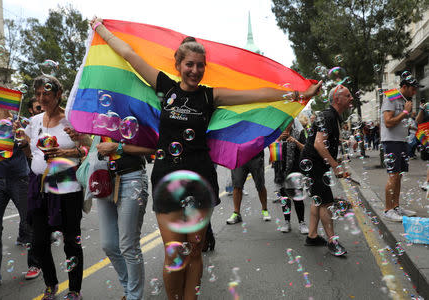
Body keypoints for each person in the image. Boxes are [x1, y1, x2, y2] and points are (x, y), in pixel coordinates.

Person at [90, 17, 321, 299]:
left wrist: (299, 94)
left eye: (200, 65)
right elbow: (128, 55)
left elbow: (256, 94)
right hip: (166, 179)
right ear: (178, 65)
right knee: (174, 254)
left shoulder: (211, 97)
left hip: (200, 178)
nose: (195, 70)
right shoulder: (165, 88)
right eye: (190, 64)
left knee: (195, 251)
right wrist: (101, 29)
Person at [19, 75, 85, 300]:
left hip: (68, 187)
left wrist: (65, 152)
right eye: (37, 94)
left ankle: (74, 290)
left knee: (70, 242)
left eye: (45, 93)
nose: (40, 98)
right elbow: (30, 151)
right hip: (39, 188)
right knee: (38, 242)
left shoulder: (72, 119)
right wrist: (23, 145)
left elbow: (85, 151)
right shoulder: (35, 121)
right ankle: (51, 284)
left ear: (58, 95)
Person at [66, 128, 150, 300]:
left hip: (131, 178)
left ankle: (134, 296)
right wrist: (81, 137)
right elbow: (97, 147)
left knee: (128, 245)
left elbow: (153, 148)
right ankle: (129, 290)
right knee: (109, 244)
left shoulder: (133, 105)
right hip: (103, 179)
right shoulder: (100, 112)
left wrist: (119, 148)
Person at [0, 108, 40, 293]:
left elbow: (30, 151)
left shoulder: (21, 121)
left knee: (28, 223)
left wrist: (20, 134)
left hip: (20, 180)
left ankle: (34, 264)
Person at [300, 85, 352, 257]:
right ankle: (332, 241)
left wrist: (344, 144)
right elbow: (318, 144)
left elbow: (326, 141)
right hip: (313, 163)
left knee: (318, 199)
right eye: (347, 95)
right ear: (337, 99)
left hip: (315, 163)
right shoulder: (328, 116)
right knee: (326, 201)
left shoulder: (332, 117)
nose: (351, 98)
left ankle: (312, 236)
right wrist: (336, 166)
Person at [380, 75, 422, 222]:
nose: (414, 92)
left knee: (399, 175)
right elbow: (388, 122)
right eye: (412, 89)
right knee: (393, 175)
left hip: (402, 142)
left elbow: (401, 122)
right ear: (404, 87)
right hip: (392, 142)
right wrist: (404, 113)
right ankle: (388, 209)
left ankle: (396, 206)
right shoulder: (391, 98)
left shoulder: (405, 101)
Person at [275, 119, 309, 234]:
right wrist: (278, 140)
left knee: (297, 198)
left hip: (295, 170)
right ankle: (287, 222)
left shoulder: (298, 132)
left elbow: (305, 149)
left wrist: (295, 141)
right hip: (281, 171)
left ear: (292, 122)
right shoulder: (276, 134)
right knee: (284, 198)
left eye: (288, 121)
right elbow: (273, 156)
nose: (286, 124)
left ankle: (301, 222)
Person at [226, 150, 271, 224]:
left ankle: (265, 210)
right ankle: (236, 213)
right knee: (237, 186)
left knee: (260, 185)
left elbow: (268, 138)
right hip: (238, 157)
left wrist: (273, 153)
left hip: (256, 156)